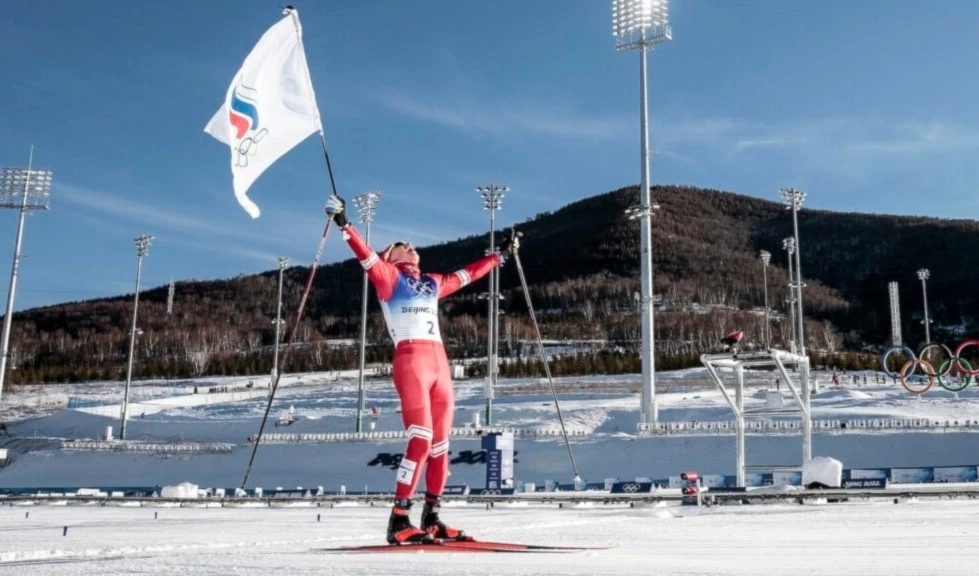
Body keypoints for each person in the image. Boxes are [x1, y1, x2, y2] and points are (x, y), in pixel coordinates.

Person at [325, 194, 519, 545]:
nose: (411, 245)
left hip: (440, 365)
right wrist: (344, 223)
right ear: (392, 256)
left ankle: (432, 517)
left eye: (411, 243)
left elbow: (468, 275)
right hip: (412, 361)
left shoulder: (430, 282)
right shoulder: (388, 278)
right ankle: (399, 519)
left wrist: (499, 255)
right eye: (402, 244)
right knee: (421, 439)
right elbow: (366, 257)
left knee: (441, 446)